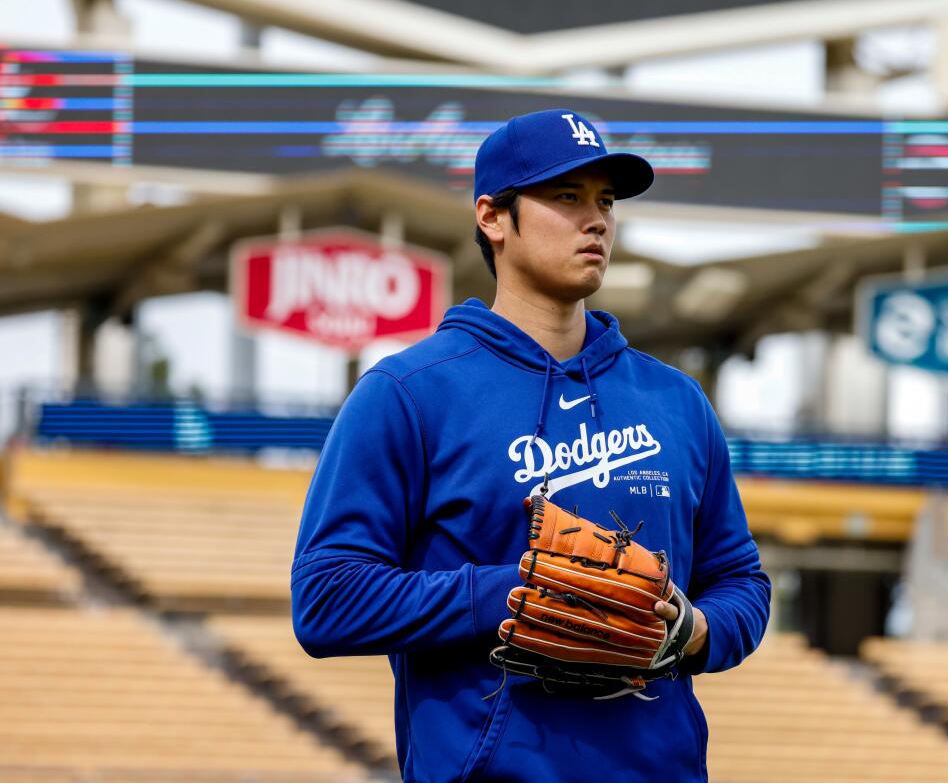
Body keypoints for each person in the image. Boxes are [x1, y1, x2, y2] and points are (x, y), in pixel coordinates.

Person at [291, 108, 771, 782]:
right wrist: (513, 592)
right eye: (566, 197)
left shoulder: (676, 402)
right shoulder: (409, 393)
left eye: (605, 201)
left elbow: (741, 582)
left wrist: (694, 631)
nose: (596, 220)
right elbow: (327, 600)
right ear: (492, 216)